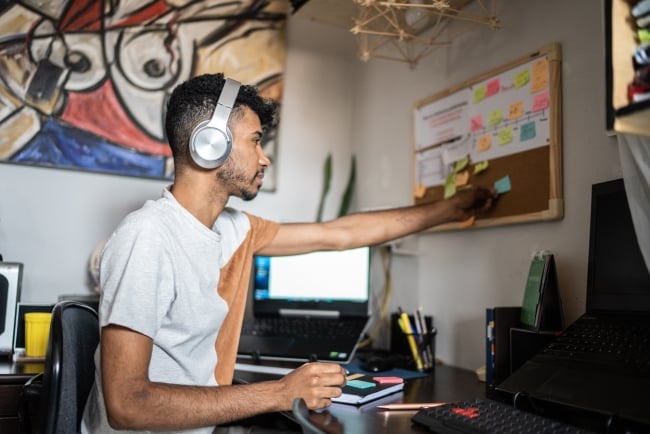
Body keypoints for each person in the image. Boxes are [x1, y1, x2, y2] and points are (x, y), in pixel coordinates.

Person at [81, 73, 497, 434]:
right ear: (209, 144)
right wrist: (280, 392)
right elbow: (127, 404)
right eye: (256, 141)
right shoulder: (148, 236)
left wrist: (449, 208)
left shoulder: (232, 228)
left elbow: (338, 234)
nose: (264, 158)